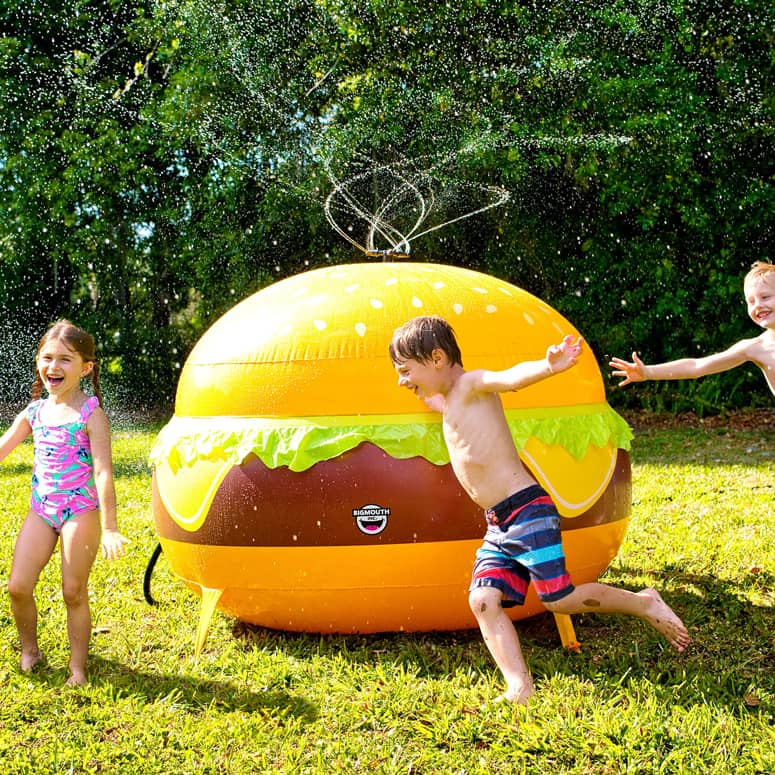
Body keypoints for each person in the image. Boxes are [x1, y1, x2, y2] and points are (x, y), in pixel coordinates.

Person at [389, 315, 690, 705]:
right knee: (482, 600)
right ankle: (519, 686)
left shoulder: (471, 384)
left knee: (558, 599)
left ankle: (644, 603)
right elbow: (431, 396)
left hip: (527, 510)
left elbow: (510, 378)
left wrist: (549, 366)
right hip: (498, 523)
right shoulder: (446, 398)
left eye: (405, 371)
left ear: (436, 358)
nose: (401, 381)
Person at [0, 319, 129, 686]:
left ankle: (77, 667)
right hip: (42, 510)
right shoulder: (34, 412)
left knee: (73, 591)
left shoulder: (91, 415)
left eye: (65, 360)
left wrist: (110, 528)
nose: (53, 367)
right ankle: (30, 649)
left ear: (86, 367)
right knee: (18, 587)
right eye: (47, 358)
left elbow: (103, 472)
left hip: (80, 512)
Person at [610, 261, 775, 395]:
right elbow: (696, 367)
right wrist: (648, 372)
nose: (758, 306)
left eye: (765, 297)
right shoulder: (755, 348)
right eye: (751, 301)